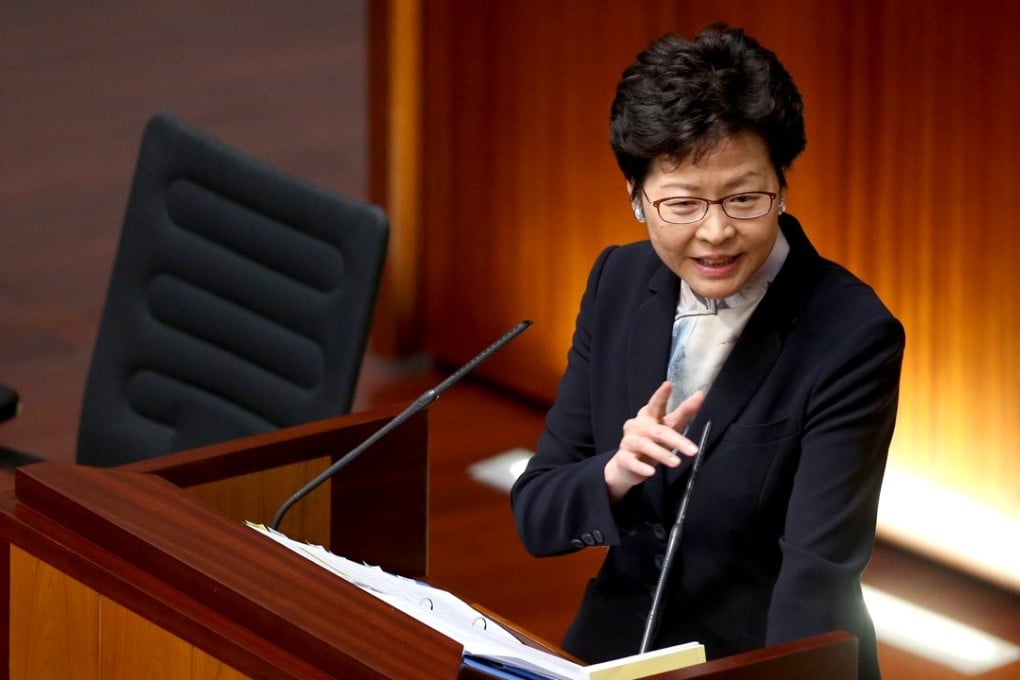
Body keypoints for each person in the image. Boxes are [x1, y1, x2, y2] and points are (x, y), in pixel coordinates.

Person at [509, 23, 903, 680]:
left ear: (784, 181)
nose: (716, 232)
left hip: (764, 661)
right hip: (617, 651)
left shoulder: (851, 333)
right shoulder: (617, 281)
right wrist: (615, 475)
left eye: (746, 198)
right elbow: (538, 515)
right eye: (683, 204)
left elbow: (816, 581)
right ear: (636, 198)